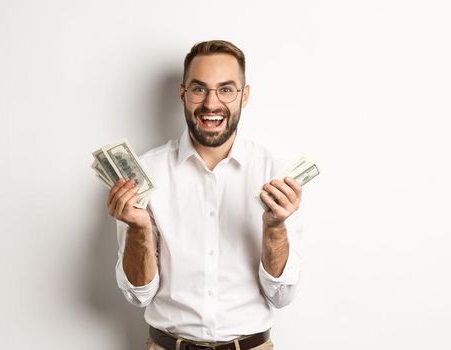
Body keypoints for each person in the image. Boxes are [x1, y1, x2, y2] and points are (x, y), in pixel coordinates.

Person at [106, 40, 307, 350]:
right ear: (183, 94)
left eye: (226, 90)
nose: (211, 104)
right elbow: (138, 295)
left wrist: (276, 228)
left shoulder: (277, 176)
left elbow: (282, 296)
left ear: (245, 95)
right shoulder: (146, 172)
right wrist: (138, 229)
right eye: (199, 89)